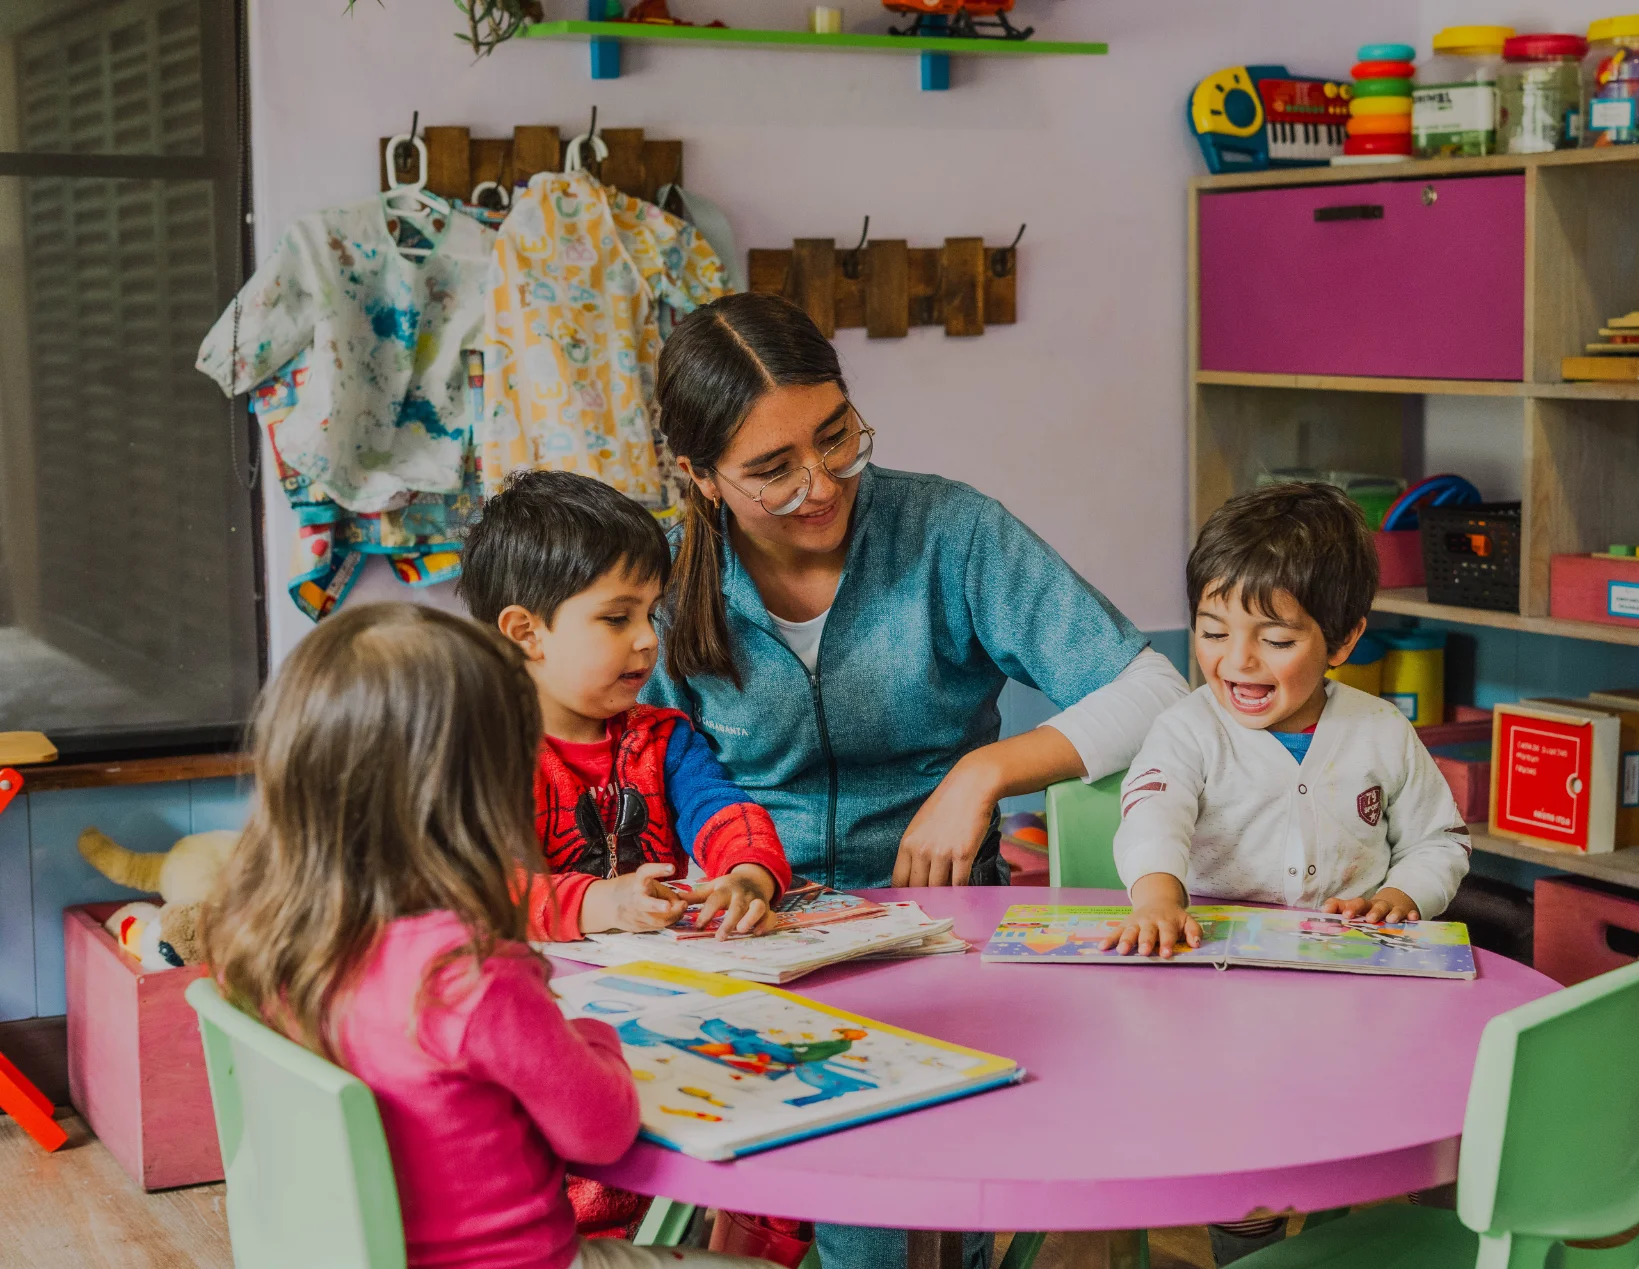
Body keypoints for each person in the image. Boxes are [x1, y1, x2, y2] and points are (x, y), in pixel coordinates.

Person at [642, 292, 1191, 1269]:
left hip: (937, 942)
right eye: (773, 470)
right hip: (744, 950)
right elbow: (624, 767)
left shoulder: (950, 532)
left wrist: (987, 772)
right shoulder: (660, 582)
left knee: (883, 1218)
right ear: (699, 476)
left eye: (836, 436)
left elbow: (1155, 689)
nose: (821, 485)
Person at [202, 603, 773, 1269]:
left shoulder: (264, 936)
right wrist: (596, 1037)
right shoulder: (470, 974)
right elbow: (603, 1132)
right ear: (481, 791)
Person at [1101, 482, 1471, 1262]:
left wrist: (1403, 893)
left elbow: (1440, 840)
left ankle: (1426, 1230)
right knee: (1246, 1158)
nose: (1236, 660)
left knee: (1440, 1119)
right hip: (1222, 997)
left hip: (1359, 994)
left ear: (1342, 639)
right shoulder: (1188, 730)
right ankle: (1251, 1245)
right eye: (1212, 631)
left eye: (1274, 638)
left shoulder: (1380, 730)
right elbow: (1153, 815)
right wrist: (1159, 896)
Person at [459, 470, 794, 945]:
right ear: (527, 633)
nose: (649, 638)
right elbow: (482, 888)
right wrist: (603, 903)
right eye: (617, 618)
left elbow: (719, 808)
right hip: (539, 975)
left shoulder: (665, 740)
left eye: (650, 613)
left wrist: (749, 873)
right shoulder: (483, 755)